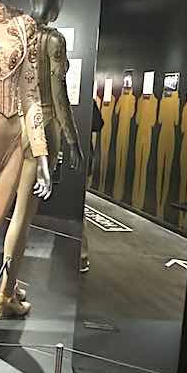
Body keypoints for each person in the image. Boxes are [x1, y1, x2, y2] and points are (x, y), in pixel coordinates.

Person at [80, 99, 104, 273]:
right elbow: (98, 124)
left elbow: (98, 124)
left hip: (81, 157)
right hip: (81, 157)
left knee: (78, 208)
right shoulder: (87, 100)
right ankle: (81, 255)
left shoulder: (88, 100)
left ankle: (82, 255)